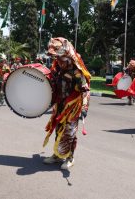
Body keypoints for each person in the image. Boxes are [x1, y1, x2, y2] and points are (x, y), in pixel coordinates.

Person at [42, 37, 91, 170]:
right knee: (58, 129)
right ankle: (58, 155)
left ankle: (70, 158)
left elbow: (85, 91)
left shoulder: (76, 72)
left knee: (70, 132)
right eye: (57, 59)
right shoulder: (57, 69)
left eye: (61, 59)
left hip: (73, 106)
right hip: (60, 104)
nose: (58, 62)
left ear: (68, 57)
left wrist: (84, 108)